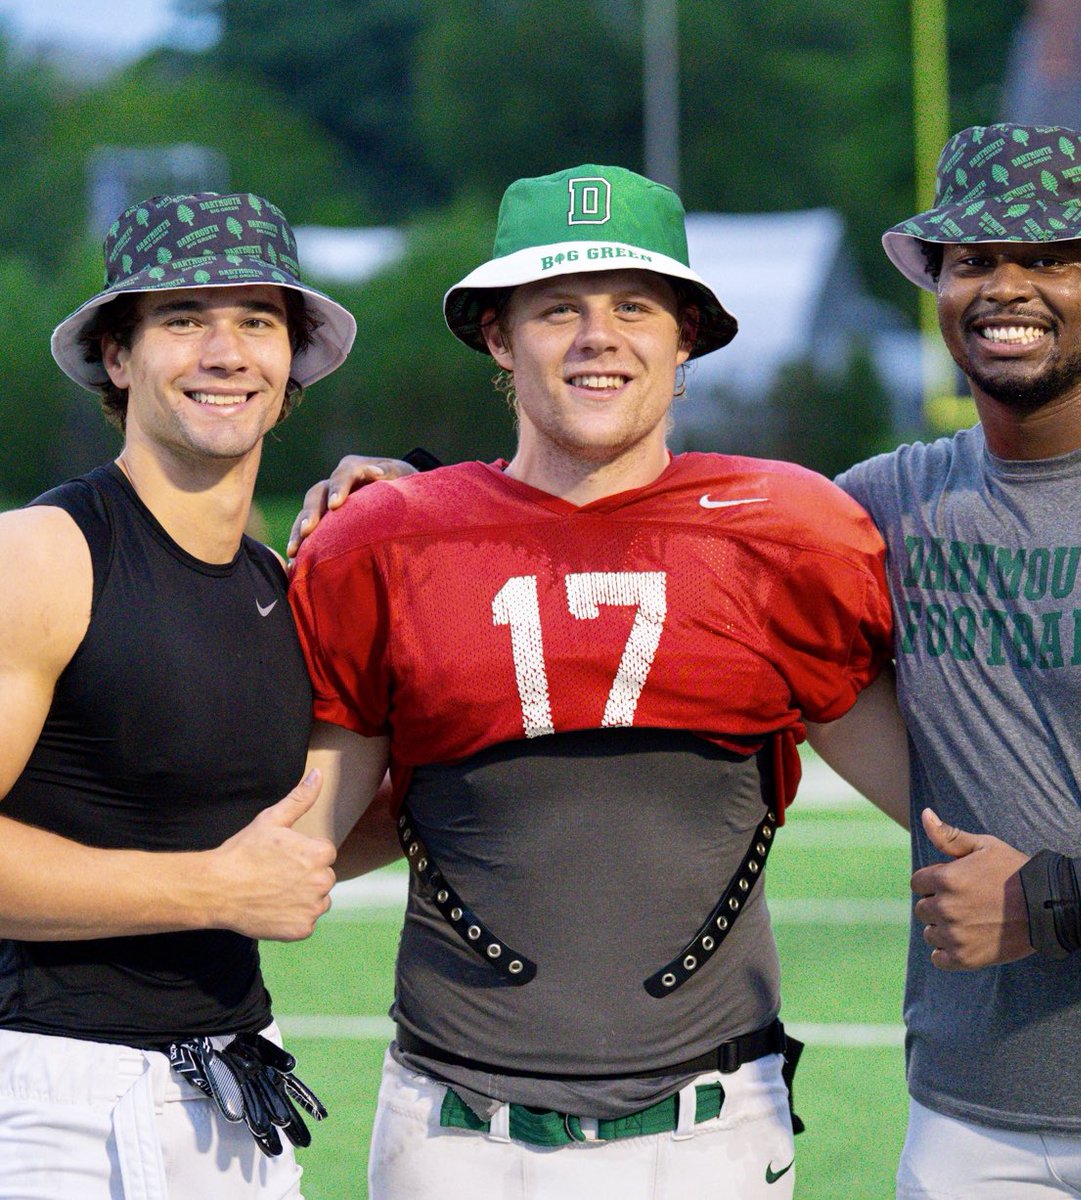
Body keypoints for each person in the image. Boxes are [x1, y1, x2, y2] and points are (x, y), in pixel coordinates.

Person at [288, 163, 910, 1199]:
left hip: (711, 1131)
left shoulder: (786, 535)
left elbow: (947, 797)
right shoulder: (389, 541)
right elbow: (297, 848)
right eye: (556, 309)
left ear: (687, 337)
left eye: (633, 306)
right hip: (454, 1133)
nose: (597, 336)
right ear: (497, 335)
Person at [837, 123, 1081, 1197]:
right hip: (977, 1117)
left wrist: (1054, 899)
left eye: (1048, 259)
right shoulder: (884, 504)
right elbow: (659, 530)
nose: (1005, 288)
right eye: (973, 260)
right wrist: (423, 489)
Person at [0, 192, 356, 1198]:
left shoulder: (278, 583)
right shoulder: (44, 554)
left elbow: (301, 845)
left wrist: (407, 516)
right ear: (119, 356)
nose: (225, 352)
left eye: (256, 320)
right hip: (60, 1095)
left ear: (293, 361)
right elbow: (234, 876)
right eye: (184, 320)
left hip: (240, 1085)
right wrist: (211, 891)